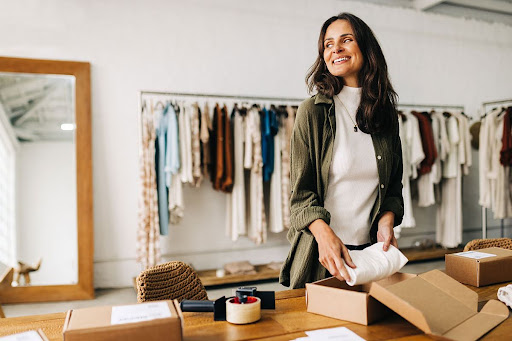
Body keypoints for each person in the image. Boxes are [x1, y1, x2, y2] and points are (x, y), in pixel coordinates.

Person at [280, 13, 404, 289]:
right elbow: (301, 197)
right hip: (322, 256)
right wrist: (324, 236)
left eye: (346, 40)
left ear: (366, 48)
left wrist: (386, 221)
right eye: (328, 44)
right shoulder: (312, 113)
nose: (335, 48)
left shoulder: (386, 115)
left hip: (371, 257)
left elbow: (393, 187)